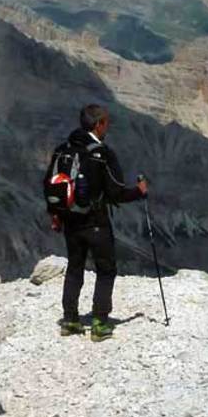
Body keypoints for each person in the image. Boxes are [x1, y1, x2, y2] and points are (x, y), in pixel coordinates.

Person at [50, 103, 147, 342]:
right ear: (98, 124)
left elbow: (50, 184)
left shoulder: (63, 150)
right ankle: (100, 322)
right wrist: (139, 191)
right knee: (106, 269)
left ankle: (70, 319)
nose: (108, 126)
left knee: (75, 268)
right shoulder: (102, 154)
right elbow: (115, 192)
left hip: (70, 221)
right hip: (96, 222)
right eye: (106, 122)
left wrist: (55, 213)